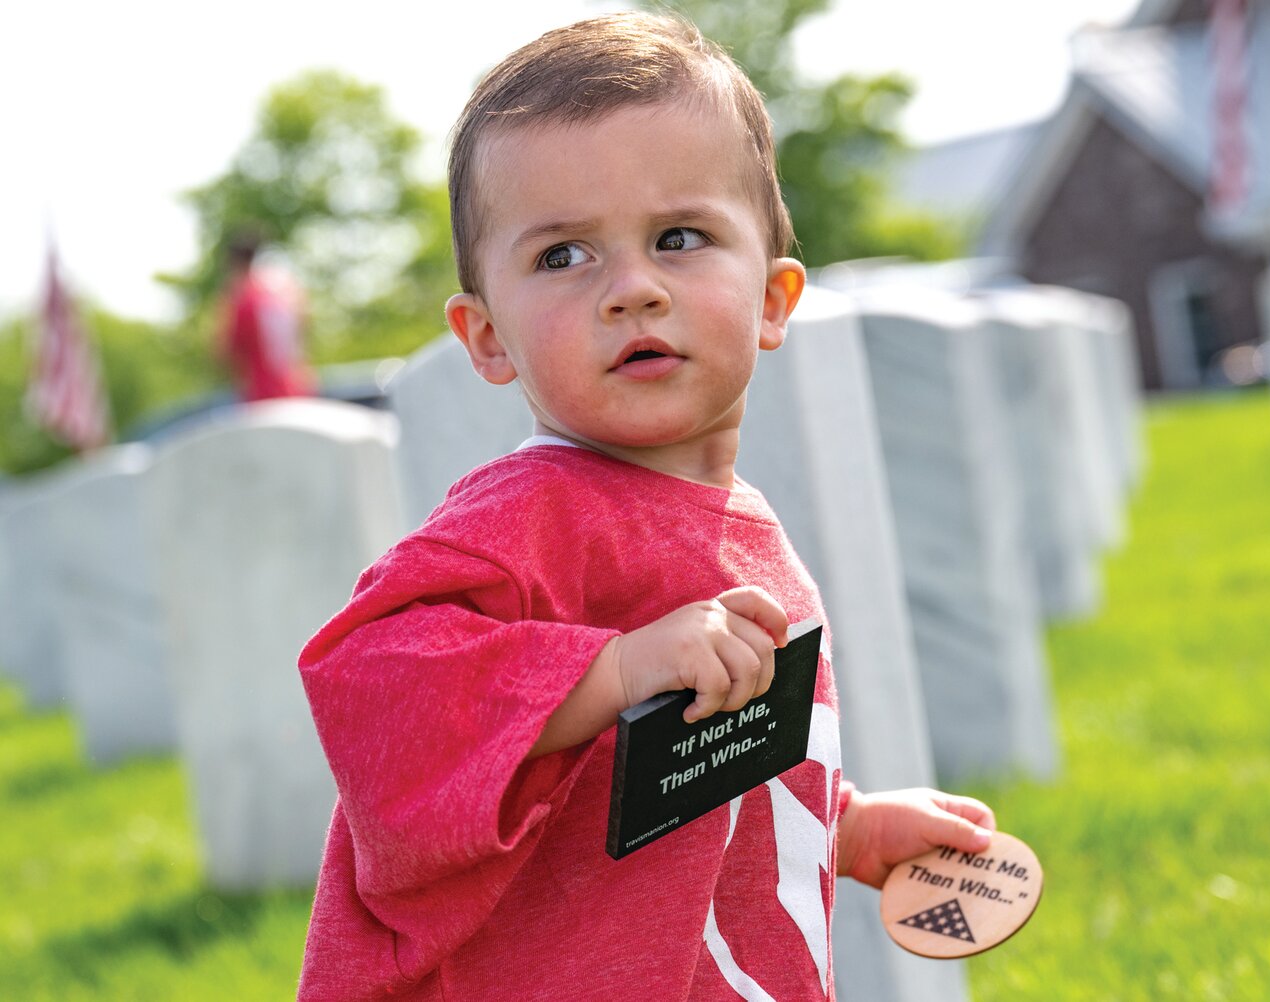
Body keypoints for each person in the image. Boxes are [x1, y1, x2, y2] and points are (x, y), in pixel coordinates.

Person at [296, 12, 996, 1000]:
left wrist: (847, 823)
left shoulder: (736, 523)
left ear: (772, 300)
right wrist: (614, 667)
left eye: (680, 237)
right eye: (563, 257)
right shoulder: (529, 518)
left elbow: (685, 780)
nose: (631, 289)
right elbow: (368, 682)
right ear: (486, 337)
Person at [218, 231, 314, 401]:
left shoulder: (244, 299)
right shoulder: (288, 290)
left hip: (264, 396)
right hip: (300, 389)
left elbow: (225, 351)